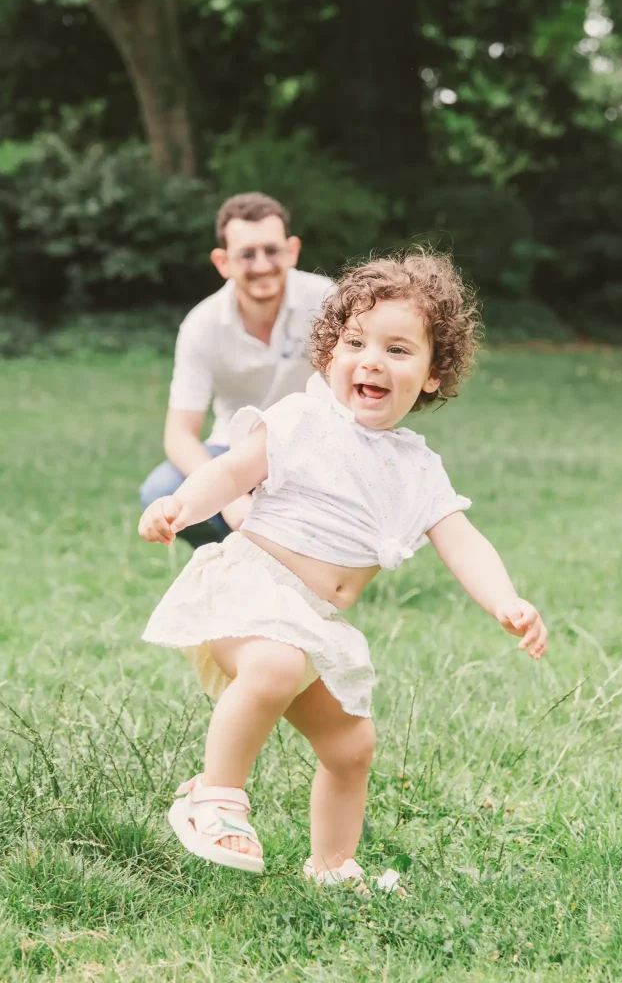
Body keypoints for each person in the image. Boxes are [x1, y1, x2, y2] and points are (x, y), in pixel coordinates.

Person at [138, 250, 548, 888]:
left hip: (311, 621)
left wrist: (507, 602)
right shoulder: (302, 421)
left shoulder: (417, 468)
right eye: (355, 342)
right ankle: (214, 797)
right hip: (248, 591)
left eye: (397, 349)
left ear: (435, 373)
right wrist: (180, 504)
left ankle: (332, 867)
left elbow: (463, 540)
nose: (372, 360)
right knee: (272, 666)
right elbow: (230, 470)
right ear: (330, 353)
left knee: (350, 748)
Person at [139, 192, 334, 548]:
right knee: (160, 490)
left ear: (292, 250)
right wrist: (228, 500)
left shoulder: (327, 302)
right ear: (222, 261)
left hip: (312, 449)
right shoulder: (202, 324)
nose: (261, 265)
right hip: (234, 449)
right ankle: (231, 557)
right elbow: (180, 435)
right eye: (246, 254)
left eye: (271, 251)